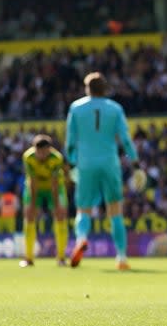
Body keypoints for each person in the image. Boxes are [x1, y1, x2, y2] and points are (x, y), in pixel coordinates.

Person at [65, 72, 138, 271]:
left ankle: (81, 239)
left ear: (87, 89)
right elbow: (125, 138)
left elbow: (70, 141)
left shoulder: (77, 108)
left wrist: (72, 163)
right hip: (109, 162)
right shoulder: (115, 109)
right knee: (115, 210)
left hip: (85, 163)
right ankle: (121, 257)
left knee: (83, 209)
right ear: (105, 88)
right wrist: (136, 162)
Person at [19, 134, 69, 267]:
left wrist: (57, 204)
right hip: (35, 187)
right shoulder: (28, 157)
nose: (42, 155)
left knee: (60, 215)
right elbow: (33, 181)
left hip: (55, 187)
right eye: (39, 152)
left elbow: (54, 183)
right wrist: (34, 205)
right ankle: (28, 258)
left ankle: (61, 257)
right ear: (35, 149)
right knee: (29, 216)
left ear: (49, 149)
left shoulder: (56, 158)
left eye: (44, 152)